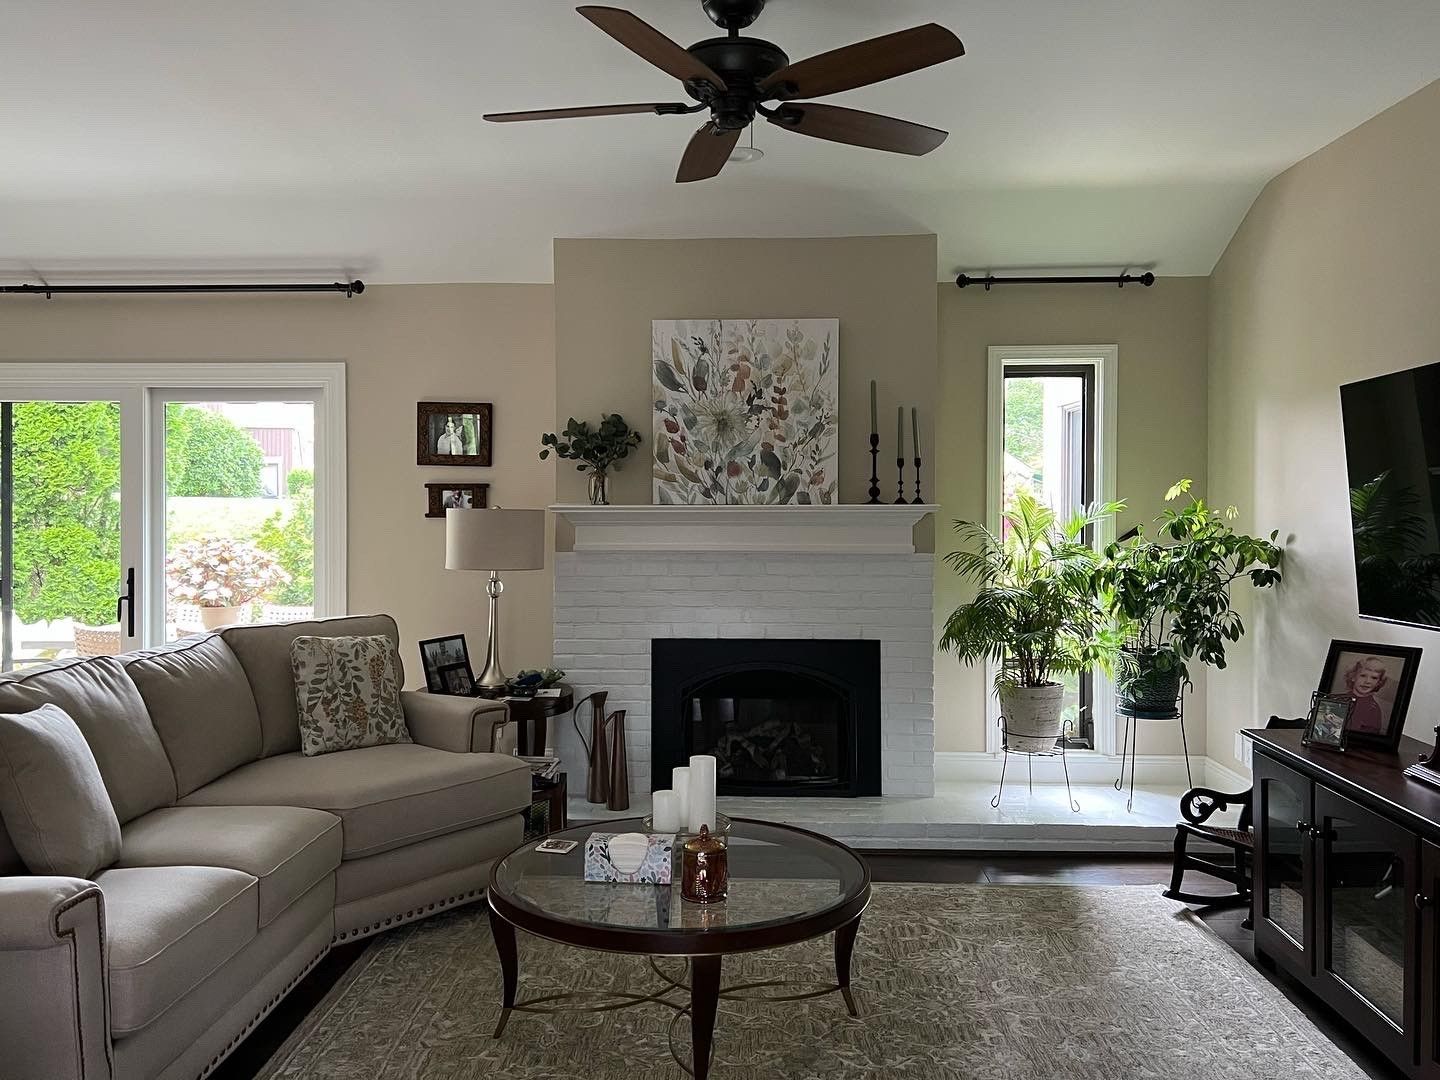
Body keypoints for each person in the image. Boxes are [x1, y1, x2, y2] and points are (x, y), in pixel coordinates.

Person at [1340, 656, 1390, 734]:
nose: (1368, 681)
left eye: (1374, 678)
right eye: (1363, 675)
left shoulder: (1373, 710)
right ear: (1353, 677)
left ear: (1378, 683)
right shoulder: (1337, 699)